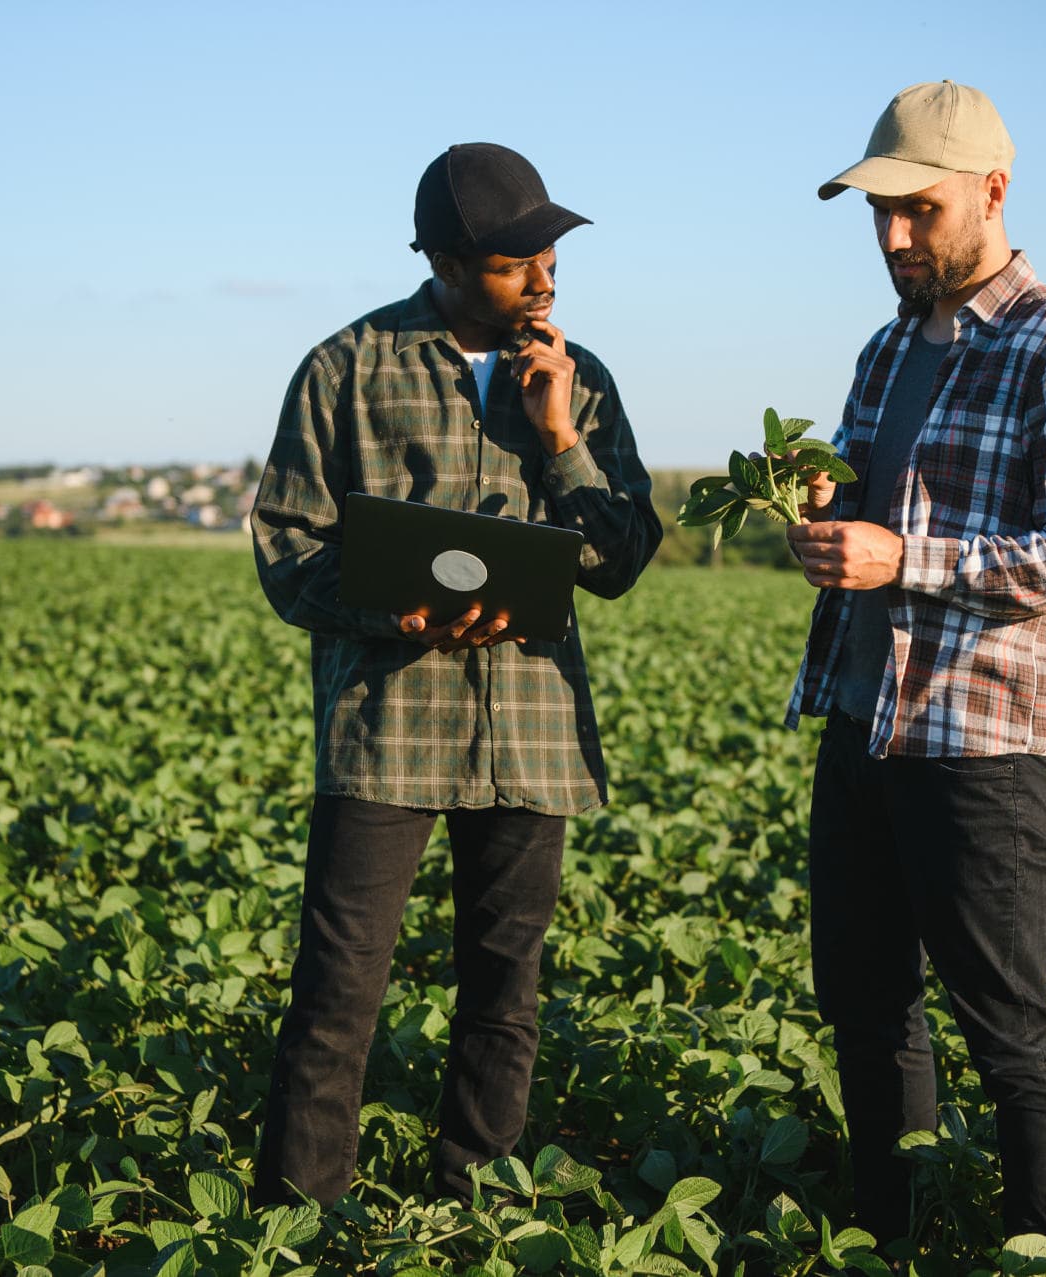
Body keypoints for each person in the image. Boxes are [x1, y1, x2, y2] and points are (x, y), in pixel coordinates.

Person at [248, 142, 661, 1206]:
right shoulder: (346, 367)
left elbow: (618, 559)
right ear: (443, 256)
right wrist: (393, 608)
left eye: (549, 250)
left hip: (529, 731)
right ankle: (298, 1220)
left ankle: (473, 1210)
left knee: (505, 994)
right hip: (389, 722)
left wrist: (561, 434)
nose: (544, 273)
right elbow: (289, 548)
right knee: (337, 993)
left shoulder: (585, 381)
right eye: (515, 257)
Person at [783, 82, 1046, 1258]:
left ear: (992, 190)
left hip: (985, 745)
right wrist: (827, 529)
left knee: (1009, 1028)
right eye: (876, 214)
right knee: (866, 1008)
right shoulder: (885, 351)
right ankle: (886, 1235)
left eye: (916, 212)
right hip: (864, 721)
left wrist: (904, 556)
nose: (892, 239)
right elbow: (870, 534)